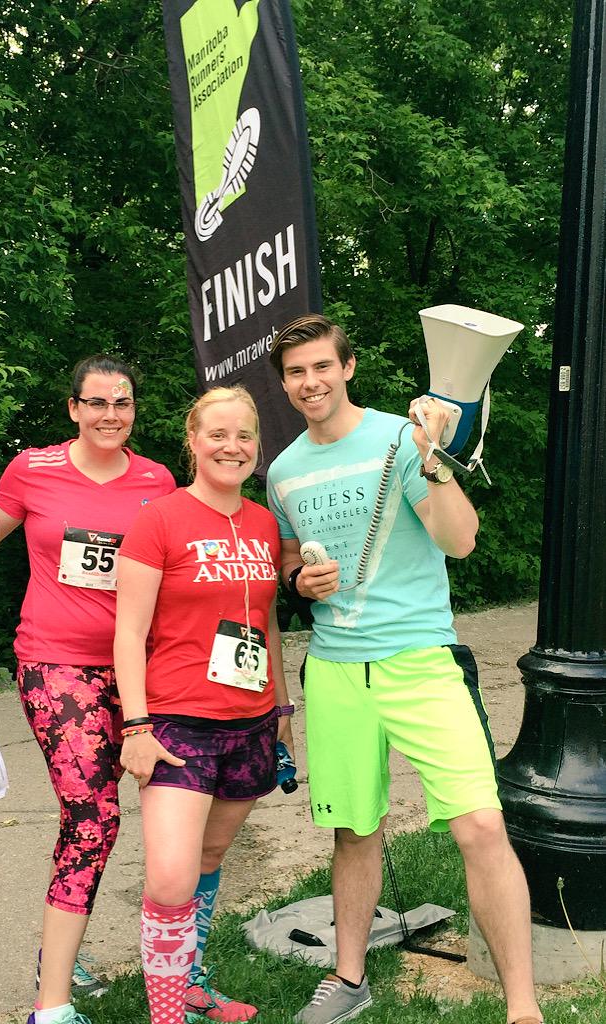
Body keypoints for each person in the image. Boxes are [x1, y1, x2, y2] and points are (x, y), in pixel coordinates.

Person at [265, 314, 542, 1024]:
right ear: (284, 383)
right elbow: (290, 558)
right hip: (334, 672)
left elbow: (461, 541)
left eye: (321, 366)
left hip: (419, 661)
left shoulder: (401, 435)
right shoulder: (284, 470)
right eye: (296, 372)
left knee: (480, 827)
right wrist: (298, 584)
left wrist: (431, 460)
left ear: (346, 367)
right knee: (354, 830)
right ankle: (348, 978)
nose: (310, 382)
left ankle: (521, 1007)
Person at [0, 355, 176, 1024]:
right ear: (72, 408)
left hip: (141, 673)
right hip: (55, 664)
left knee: (144, 823)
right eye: (95, 403)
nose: (109, 415)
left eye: (121, 403)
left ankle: (71, 958)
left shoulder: (157, 480)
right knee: (92, 818)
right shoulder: (31, 470)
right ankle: (53, 1004)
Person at [114, 385, 296, 1024]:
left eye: (244, 435)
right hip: (175, 722)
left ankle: (190, 980)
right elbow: (128, 632)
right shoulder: (158, 519)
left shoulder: (265, 524)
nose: (232, 446)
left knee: (211, 860)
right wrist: (135, 724)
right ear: (192, 441)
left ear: (257, 447)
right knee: (170, 877)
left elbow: (268, 624)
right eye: (218, 434)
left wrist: (283, 713)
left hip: (251, 723)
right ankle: (166, 1014)